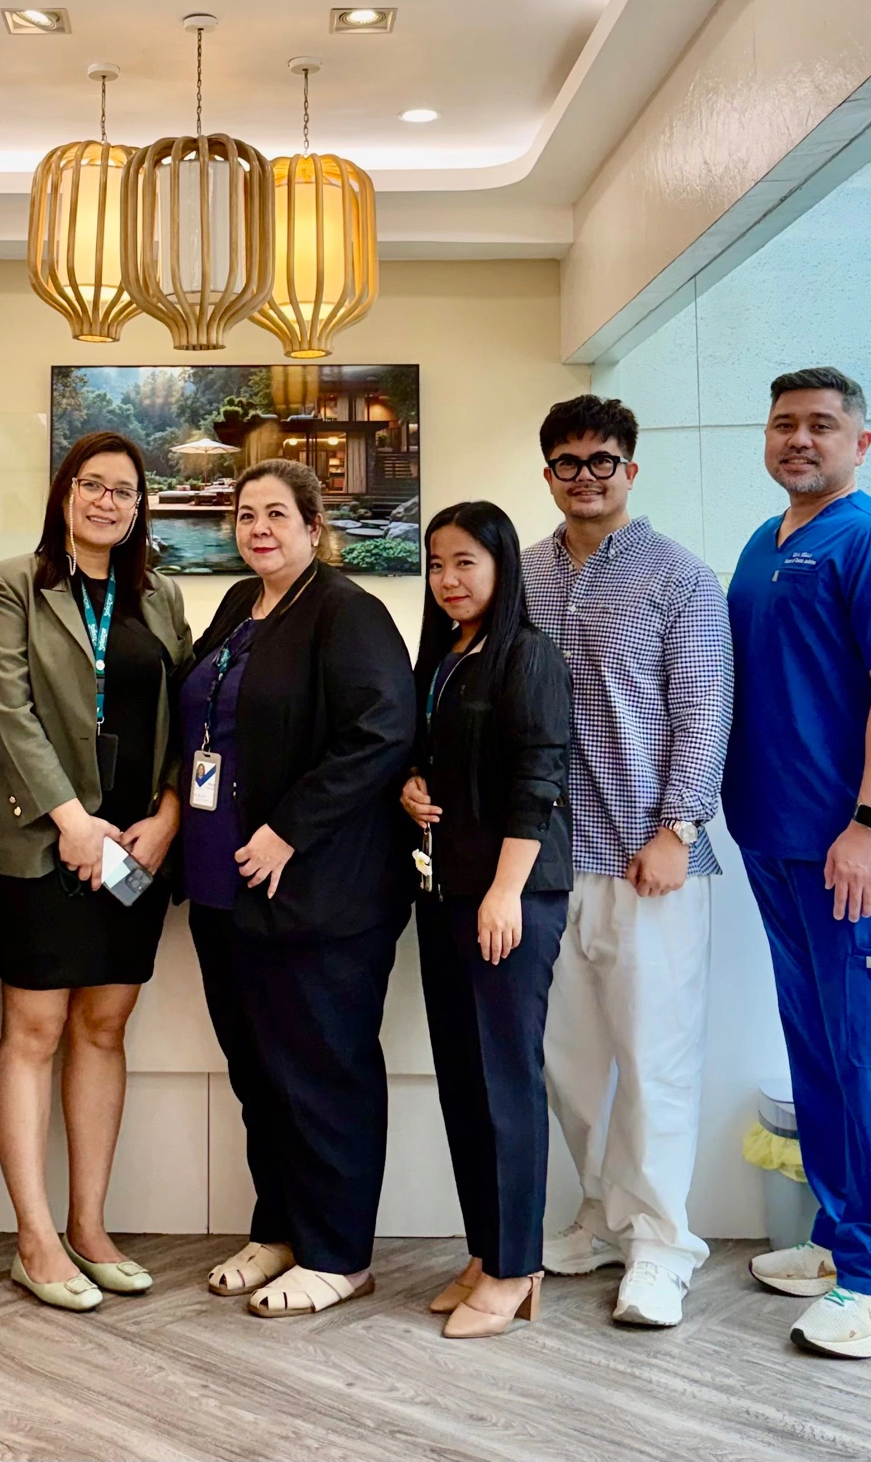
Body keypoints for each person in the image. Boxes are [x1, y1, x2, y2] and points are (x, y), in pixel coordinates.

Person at [724, 368, 871, 1359]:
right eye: (783, 424)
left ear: (862, 440)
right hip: (776, 840)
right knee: (817, 1052)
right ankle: (838, 1236)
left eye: (820, 425)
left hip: (854, 850)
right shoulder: (764, 545)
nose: (798, 439)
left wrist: (869, 823)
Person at [519, 395, 733, 1330]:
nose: (585, 477)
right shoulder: (520, 573)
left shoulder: (681, 577)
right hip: (548, 863)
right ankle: (604, 1218)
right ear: (548, 475)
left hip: (649, 861)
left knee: (656, 1061)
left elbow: (704, 708)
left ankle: (660, 1243)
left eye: (601, 461)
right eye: (567, 463)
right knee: (567, 1064)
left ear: (630, 470)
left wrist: (678, 828)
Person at [186, 458, 416, 1319]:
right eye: (246, 514)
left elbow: (382, 731)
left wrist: (290, 828)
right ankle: (279, 1226)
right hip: (227, 890)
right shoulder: (238, 609)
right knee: (260, 1073)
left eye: (278, 513)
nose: (260, 528)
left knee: (324, 1071)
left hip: (322, 893)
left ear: (314, 526)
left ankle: (338, 1251)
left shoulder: (347, 611)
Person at [0, 431, 192, 1312]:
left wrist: (169, 815)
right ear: (64, 492)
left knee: (105, 1025)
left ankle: (90, 1225)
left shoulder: (162, 595)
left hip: (137, 844)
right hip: (43, 839)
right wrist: (71, 820)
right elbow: (6, 704)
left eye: (125, 491)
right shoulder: (10, 584)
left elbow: (193, 710)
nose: (108, 501)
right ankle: (34, 1236)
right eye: (92, 485)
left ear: (142, 507)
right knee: (33, 1029)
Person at [399, 502, 573, 1340]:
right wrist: (409, 787)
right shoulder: (447, 655)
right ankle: (486, 1249)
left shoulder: (528, 654)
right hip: (444, 892)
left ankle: (516, 1266)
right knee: (465, 1081)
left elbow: (538, 777)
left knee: (506, 1081)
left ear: (502, 565)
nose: (448, 580)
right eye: (436, 564)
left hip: (509, 897)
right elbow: (432, 759)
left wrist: (506, 891)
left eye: (465, 562)